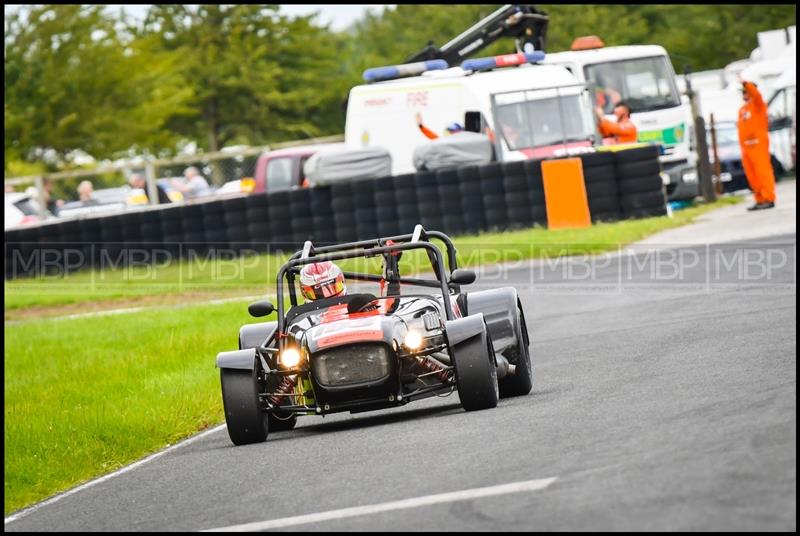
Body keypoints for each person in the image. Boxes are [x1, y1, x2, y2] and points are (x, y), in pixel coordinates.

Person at [737, 77, 776, 210]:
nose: (744, 94)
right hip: (746, 148)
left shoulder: (758, 105)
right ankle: (760, 199)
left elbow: (756, 95)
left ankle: (769, 198)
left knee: (763, 172)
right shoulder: (742, 110)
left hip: (758, 145)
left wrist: (745, 83)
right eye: (743, 92)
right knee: (752, 175)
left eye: (746, 91)